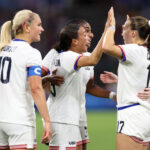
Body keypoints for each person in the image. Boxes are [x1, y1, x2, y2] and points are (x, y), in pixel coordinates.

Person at [41, 9, 113, 150]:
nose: (89, 36)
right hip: (62, 118)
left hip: (73, 116)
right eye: (85, 33)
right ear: (74, 40)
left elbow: (89, 86)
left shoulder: (76, 57)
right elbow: (93, 60)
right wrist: (107, 30)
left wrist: (112, 95)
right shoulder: (66, 56)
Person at [0, 9, 52, 150]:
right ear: (27, 27)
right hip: (20, 120)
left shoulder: (2, 49)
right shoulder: (31, 53)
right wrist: (47, 121)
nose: (42, 29)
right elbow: (35, 88)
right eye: (39, 25)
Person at [101, 7, 150, 150]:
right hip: (145, 113)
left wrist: (110, 26)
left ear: (133, 33)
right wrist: (120, 80)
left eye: (124, 29)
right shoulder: (146, 51)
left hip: (132, 115)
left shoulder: (134, 49)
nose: (121, 32)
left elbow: (107, 47)